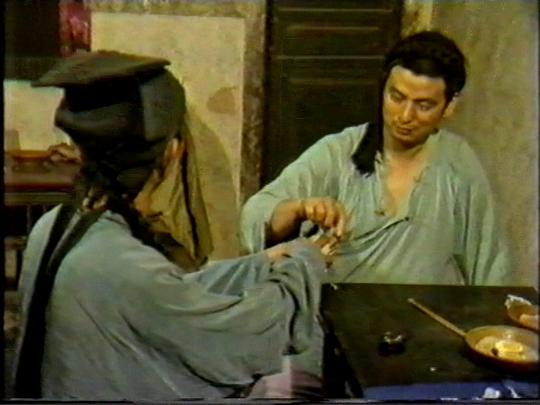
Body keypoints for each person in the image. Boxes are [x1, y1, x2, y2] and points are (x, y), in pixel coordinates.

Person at [12, 51, 330, 401]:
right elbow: (232, 337)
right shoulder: (121, 265)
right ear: (172, 152)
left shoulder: (56, 224)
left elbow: (169, 293)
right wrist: (302, 266)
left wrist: (261, 264)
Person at [241, 31, 515, 398]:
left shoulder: (459, 167)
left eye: (423, 105)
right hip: (327, 343)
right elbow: (257, 216)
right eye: (396, 97)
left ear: (449, 106)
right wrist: (299, 208)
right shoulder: (339, 152)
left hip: (418, 350)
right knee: (269, 393)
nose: (405, 116)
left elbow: (490, 271)